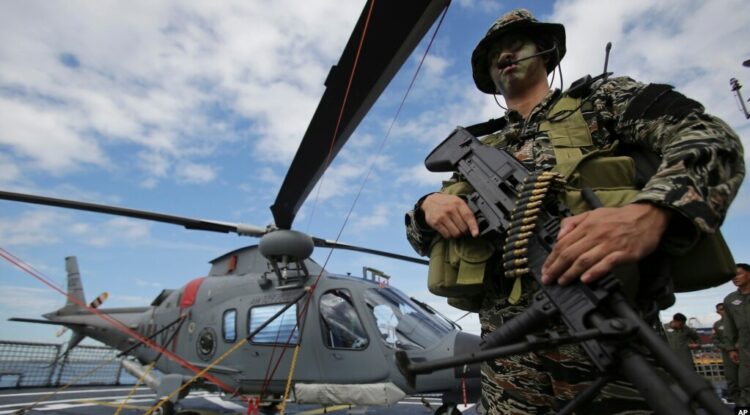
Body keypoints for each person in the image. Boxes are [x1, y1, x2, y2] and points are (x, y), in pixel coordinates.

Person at [404, 8, 745, 414]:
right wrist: (426, 208)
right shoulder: (481, 149)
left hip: (610, 346)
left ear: (546, 51)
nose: (505, 56)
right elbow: (421, 237)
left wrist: (651, 212)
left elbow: (709, 136)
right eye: (494, 53)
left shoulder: (602, 102)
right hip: (508, 374)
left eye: (517, 44)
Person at [723, 263, 750, 406]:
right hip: (745, 347)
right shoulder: (730, 300)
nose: (735, 278)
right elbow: (729, 325)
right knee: (745, 384)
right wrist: (731, 348)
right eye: (732, 276)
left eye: (739, 274)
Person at [713, 302, 740, 403]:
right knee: (732, 380)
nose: (723, 311)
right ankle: (738, 404)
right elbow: (715, 340)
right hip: (728, 355)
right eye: (721, 309)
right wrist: (727, 347)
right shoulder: (717, 325)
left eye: (724, 309)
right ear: (717, 312)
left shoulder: (739, 321)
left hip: (743, 353)